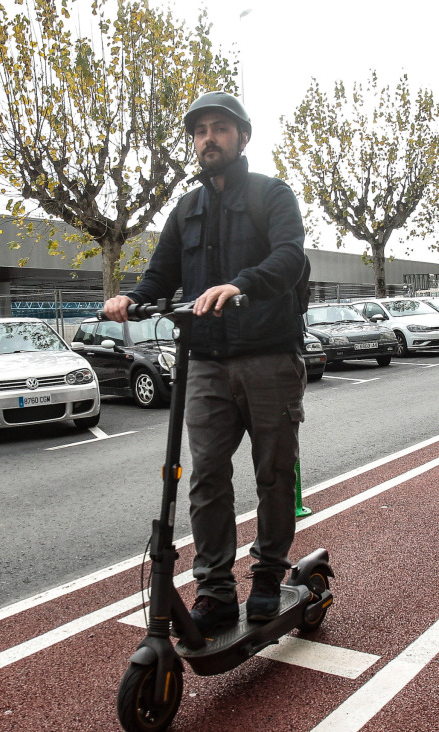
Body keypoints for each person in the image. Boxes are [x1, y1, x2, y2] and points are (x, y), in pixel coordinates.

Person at [102, 91, 307, 634]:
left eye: (219, 128)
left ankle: (266, 576)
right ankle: (215, 589)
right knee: (206, 478)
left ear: (242, 137)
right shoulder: (185, 211)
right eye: (199, 131)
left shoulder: (272, 194)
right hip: (207, 363)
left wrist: (242, 284)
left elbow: (291, 257)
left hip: (268, 356)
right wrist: (131, 298)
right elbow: (161, 276)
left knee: (273, 475)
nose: (207, 139)